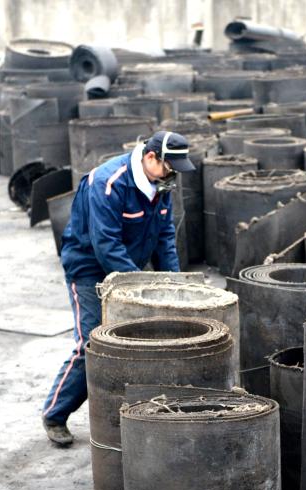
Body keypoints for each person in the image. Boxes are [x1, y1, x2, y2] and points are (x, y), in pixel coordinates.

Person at [41, 131, 196, 446]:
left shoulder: (160, 183)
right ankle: (55, 414)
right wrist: (137, 284)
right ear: (151, 157)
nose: (173, 174)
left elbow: (164, 237)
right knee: (92, 342)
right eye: (170, 166)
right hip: (88, 267)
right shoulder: (108, 182)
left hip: (127, 264)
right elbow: (105, 244)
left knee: (134, 338)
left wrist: (173, 284)